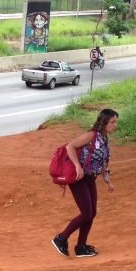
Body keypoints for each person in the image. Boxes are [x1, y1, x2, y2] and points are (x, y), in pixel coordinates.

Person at [52, 109, 118, 258]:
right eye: (113, 122)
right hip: (79, 178)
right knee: (87, 213)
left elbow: (102, 161)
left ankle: (81, 246)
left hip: (90, 178)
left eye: (116, 122)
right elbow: (70, 146)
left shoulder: (104, 138)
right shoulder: (91, 135)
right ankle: (61, 238)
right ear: (104, 122)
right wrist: (77, 166)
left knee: (91, 213)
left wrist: (107, 180)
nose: (115, 125)